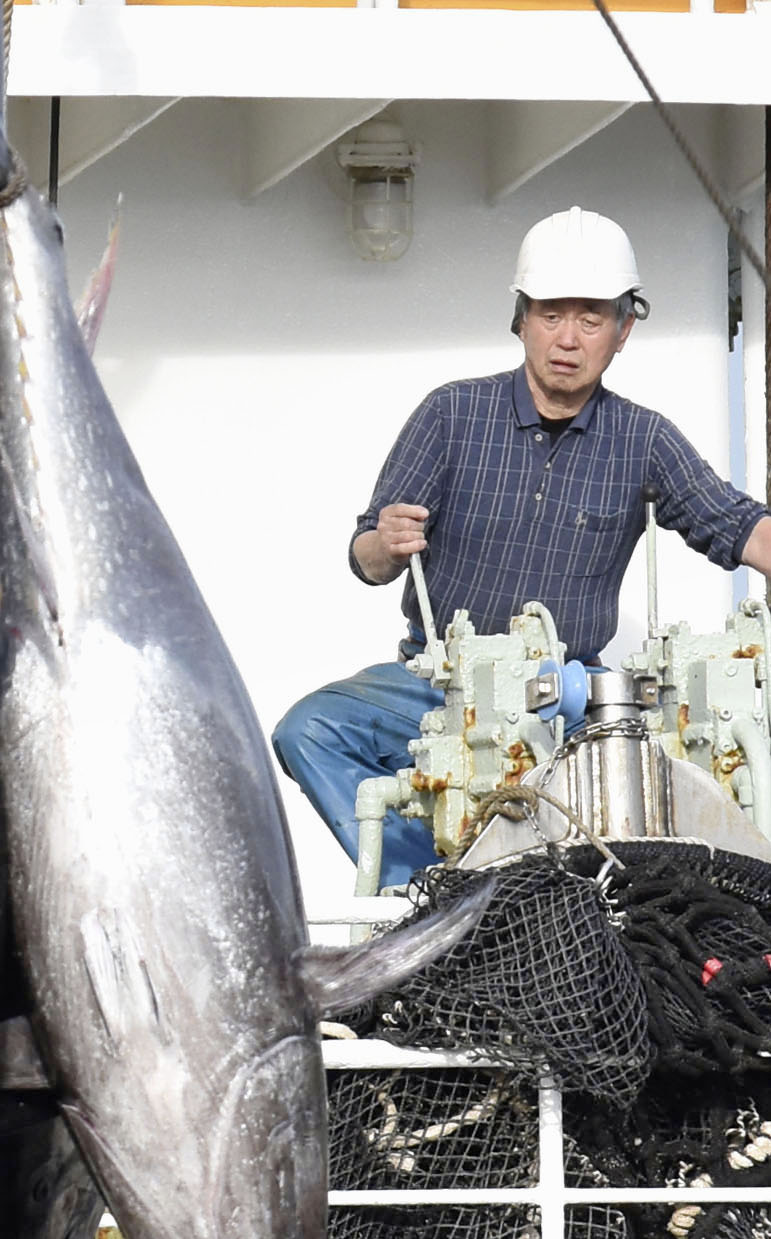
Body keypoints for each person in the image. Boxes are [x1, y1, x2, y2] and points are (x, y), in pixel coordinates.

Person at [274, 206, 771, 888]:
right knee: (309, 729)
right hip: (435, 686)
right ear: (520, 319)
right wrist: (382, 544)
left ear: (622, 330)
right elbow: (366, 556)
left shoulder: (643, 438)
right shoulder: (449, 415)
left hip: (568, 700)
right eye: (548, 315)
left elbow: (737, 525)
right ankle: (434, 893)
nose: (566, 338)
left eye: (590, 318)